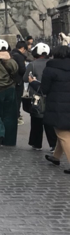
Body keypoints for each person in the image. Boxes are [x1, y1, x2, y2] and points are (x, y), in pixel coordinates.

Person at [42, 46, 70, 174]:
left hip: (58, 105)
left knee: (63, 134)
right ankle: (56, 157)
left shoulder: (50, 68)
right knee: (63, 133)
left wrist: (33, 83)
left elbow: (44, 89)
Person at [24, 43, 57, 151]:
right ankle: (53, 144)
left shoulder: (32, 64)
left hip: (36, 96)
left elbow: (25, 78)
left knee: (36, 120)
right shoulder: (52, 63)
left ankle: (36, 143)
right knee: (50, 122)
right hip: (51, 95)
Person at [11, 40, 28, 125]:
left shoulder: (11, 54)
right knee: (18, 99)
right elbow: (22, 70)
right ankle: (16, 116)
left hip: (10, 81)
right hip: (18, 81)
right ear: (22, 48)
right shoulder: (20, 57)